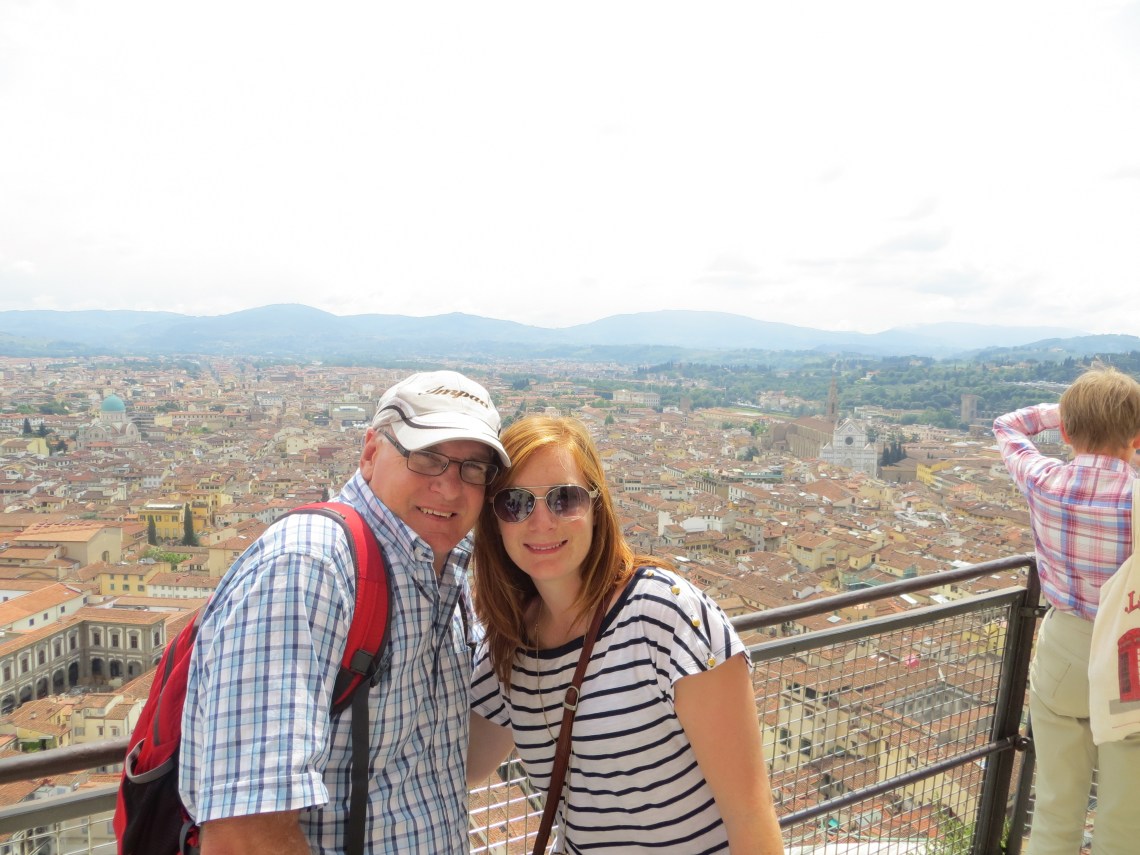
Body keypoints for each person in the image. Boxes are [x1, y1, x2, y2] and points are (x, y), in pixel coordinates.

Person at [179, 370, 510, 854]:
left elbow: (451, 763)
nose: (450, 488)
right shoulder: (310, 567)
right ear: (372, 452)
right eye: (427, 458)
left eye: (473, 469)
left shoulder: (447, 575)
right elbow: (244, 837)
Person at [466, 415, 784, 854]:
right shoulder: (509, 645)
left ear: (596, 506)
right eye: (515, 503)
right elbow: (460, 764)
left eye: (564, 499)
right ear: (495, 520)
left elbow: (751, 817)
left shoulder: (667, 615)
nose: (541, 522)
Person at [994, 365, 1140, 855]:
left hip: (1063, 652)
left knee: (1056, 806)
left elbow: (1007, 425)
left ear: (1069, 432)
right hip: (1130, 661)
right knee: (1125, 819)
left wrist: (1064, 412)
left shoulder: (1045, 481)